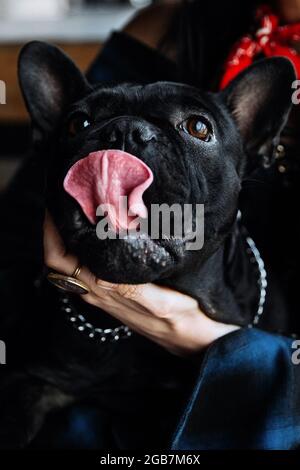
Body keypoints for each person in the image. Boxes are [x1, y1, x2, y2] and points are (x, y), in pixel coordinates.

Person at [1, 0, 300, 449]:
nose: (129, 140)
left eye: (196, 129)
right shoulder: (172, 26)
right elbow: (11, 239)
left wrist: (195, 334)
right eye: (84, 121)